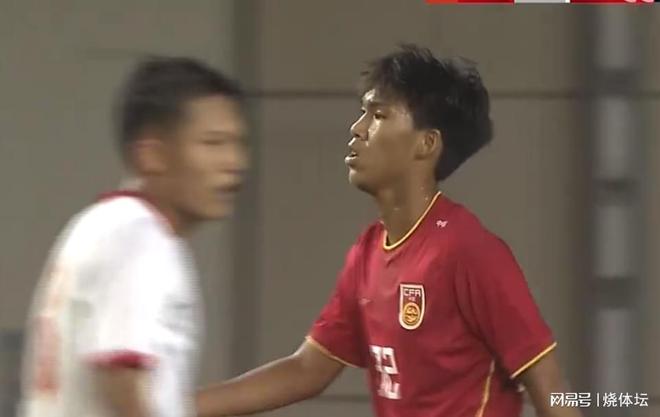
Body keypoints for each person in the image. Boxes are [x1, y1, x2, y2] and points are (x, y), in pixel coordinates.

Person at [196, 45, 581, 417]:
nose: (357, 128)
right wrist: (178, 406)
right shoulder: (367, 252)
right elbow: (307, 370)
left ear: (426, 144)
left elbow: (551, 391)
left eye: (378, 115)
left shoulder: (468, 251)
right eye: (362, 113)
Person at [18, 56, 248, 417]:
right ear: (152, 155)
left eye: (238, 144)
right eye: (213, 143)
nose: (234, 163)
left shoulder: (105, 223)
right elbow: (121, 374)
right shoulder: (139, 236)